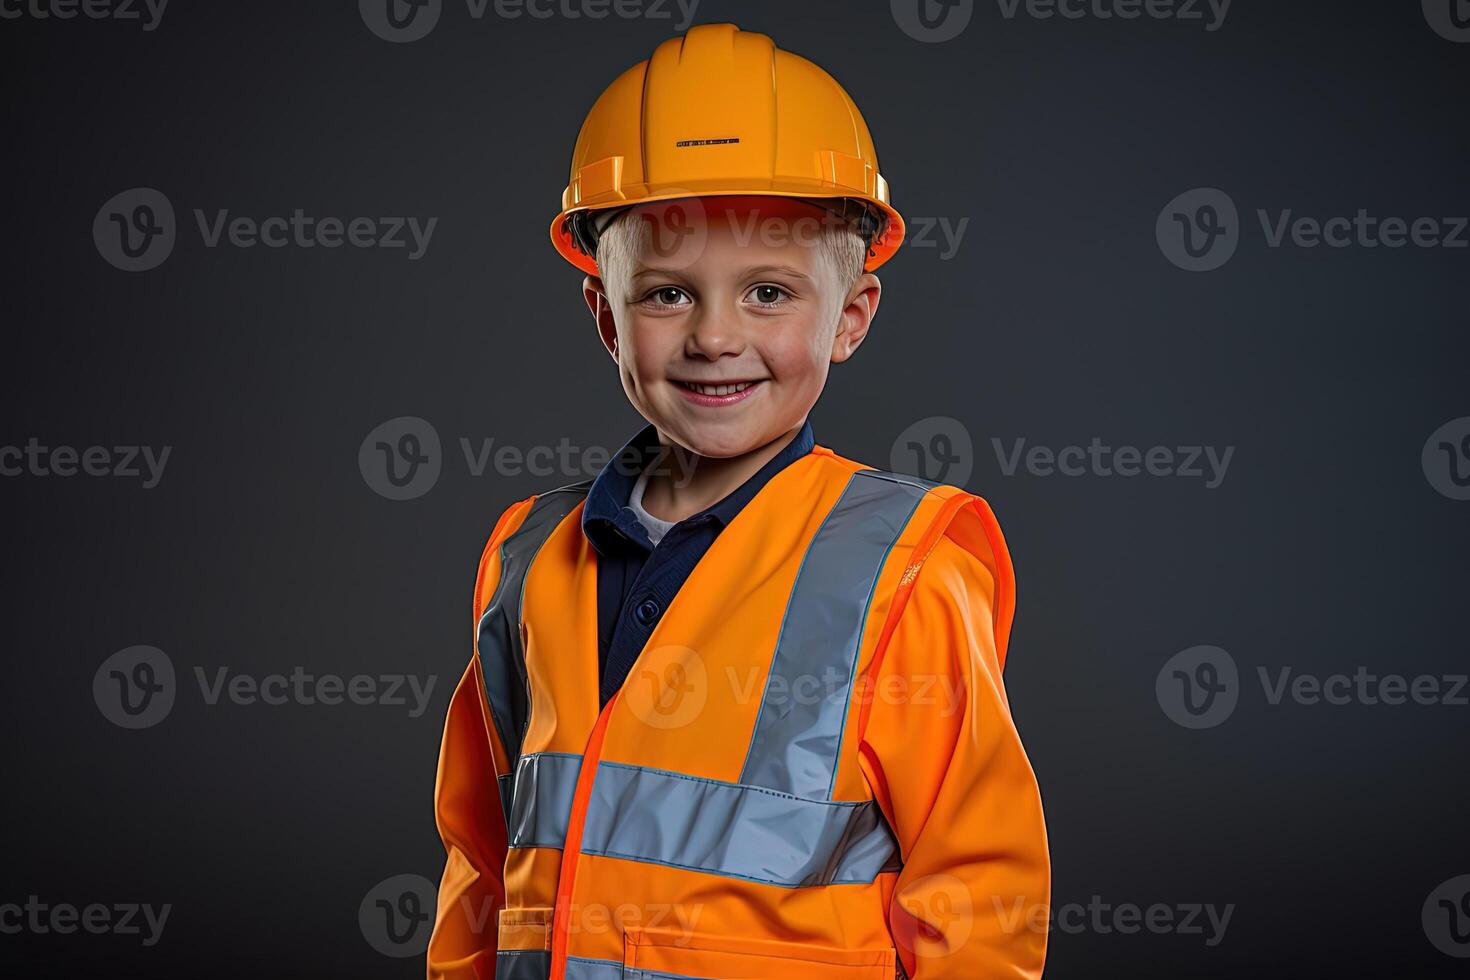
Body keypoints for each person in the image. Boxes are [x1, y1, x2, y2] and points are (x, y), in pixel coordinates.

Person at [427, 23, 1049, 980]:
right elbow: (482, 856)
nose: (716, 337)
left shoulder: (902, 572)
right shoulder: (529, 556)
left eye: (767, 292)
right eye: (667, 295)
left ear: (850, 317)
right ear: (605, 316)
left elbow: (978, 896)